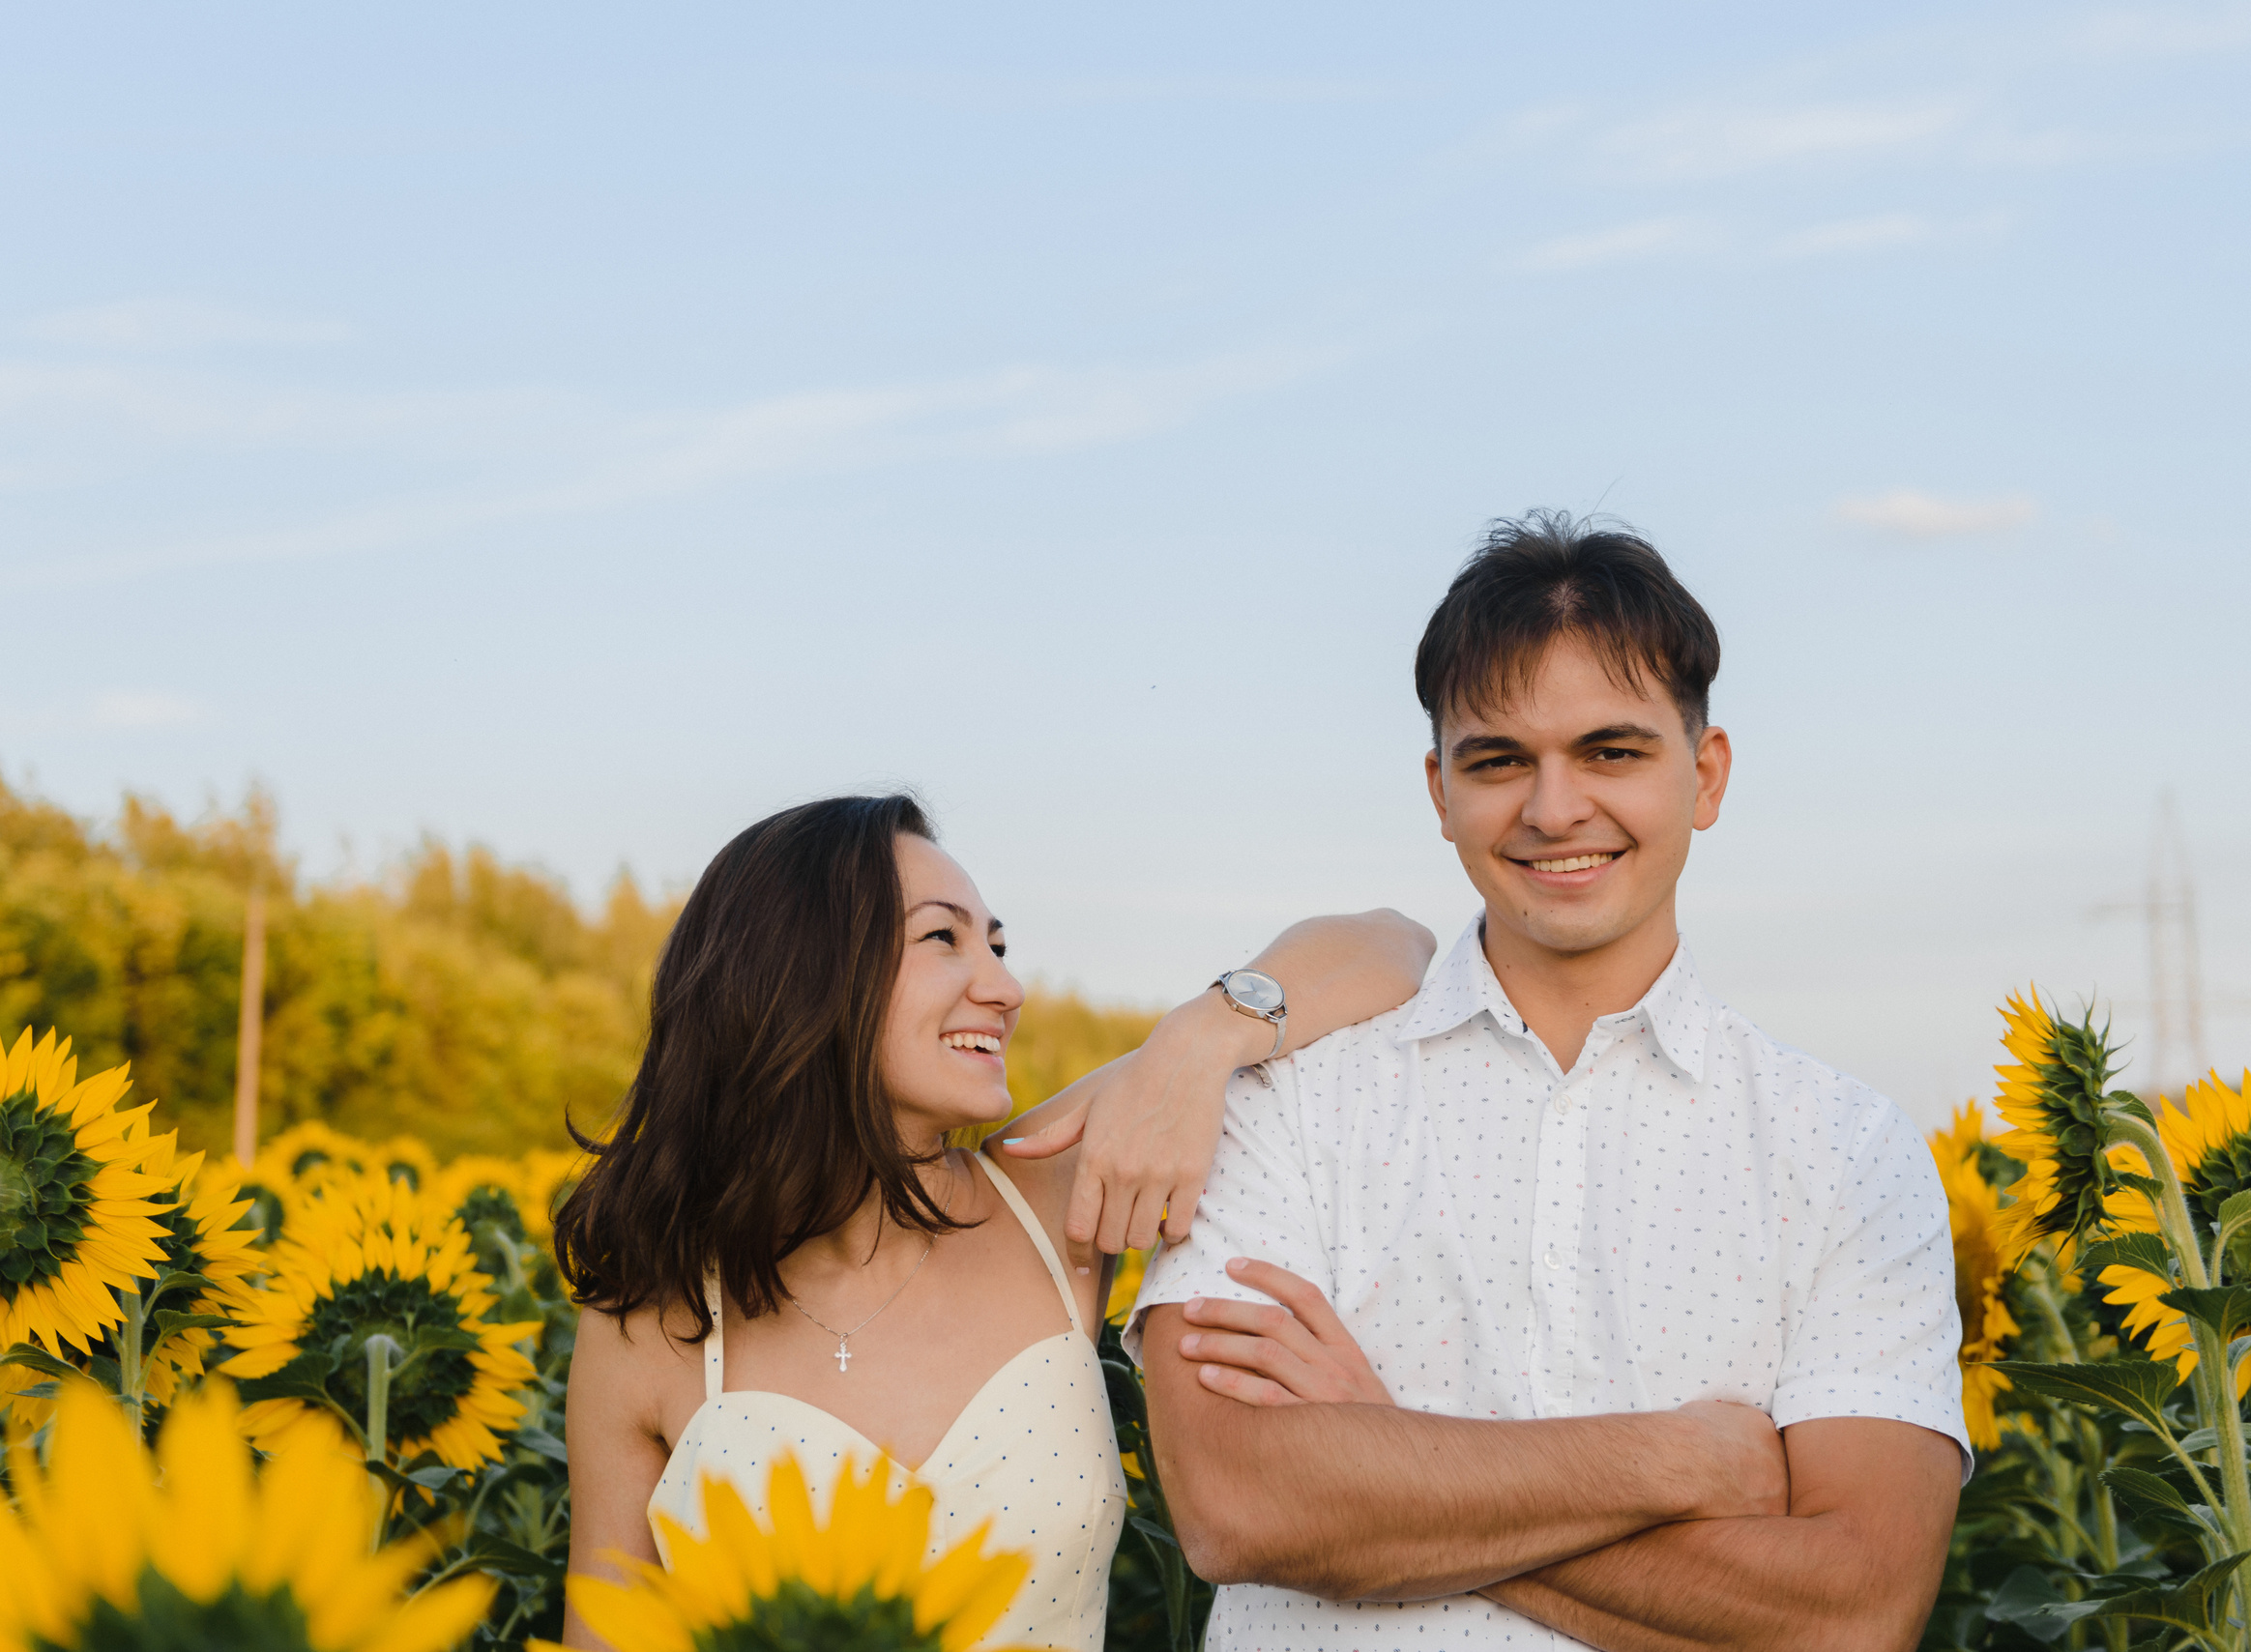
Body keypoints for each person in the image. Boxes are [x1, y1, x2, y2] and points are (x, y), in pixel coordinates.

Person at [1130, 512, 1970, 1652]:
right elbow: (1238, 1507)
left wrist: (1385, 1454)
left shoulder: (1846, 1151)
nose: (1554, 807)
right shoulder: (1282, 1102)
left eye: (1611, 751)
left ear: (1705, 774)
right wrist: (1681, 1459)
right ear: (1438, 790)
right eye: (1498, 760)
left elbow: (1853, 1607)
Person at [556, 794, 1433, 1652]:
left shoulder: (1050, 1191)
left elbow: (1398, 944)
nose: (1006, 988)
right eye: (944, 937)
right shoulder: (649, 1322)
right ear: (800, 965)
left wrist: (1203, 1035)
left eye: (1000, 943)